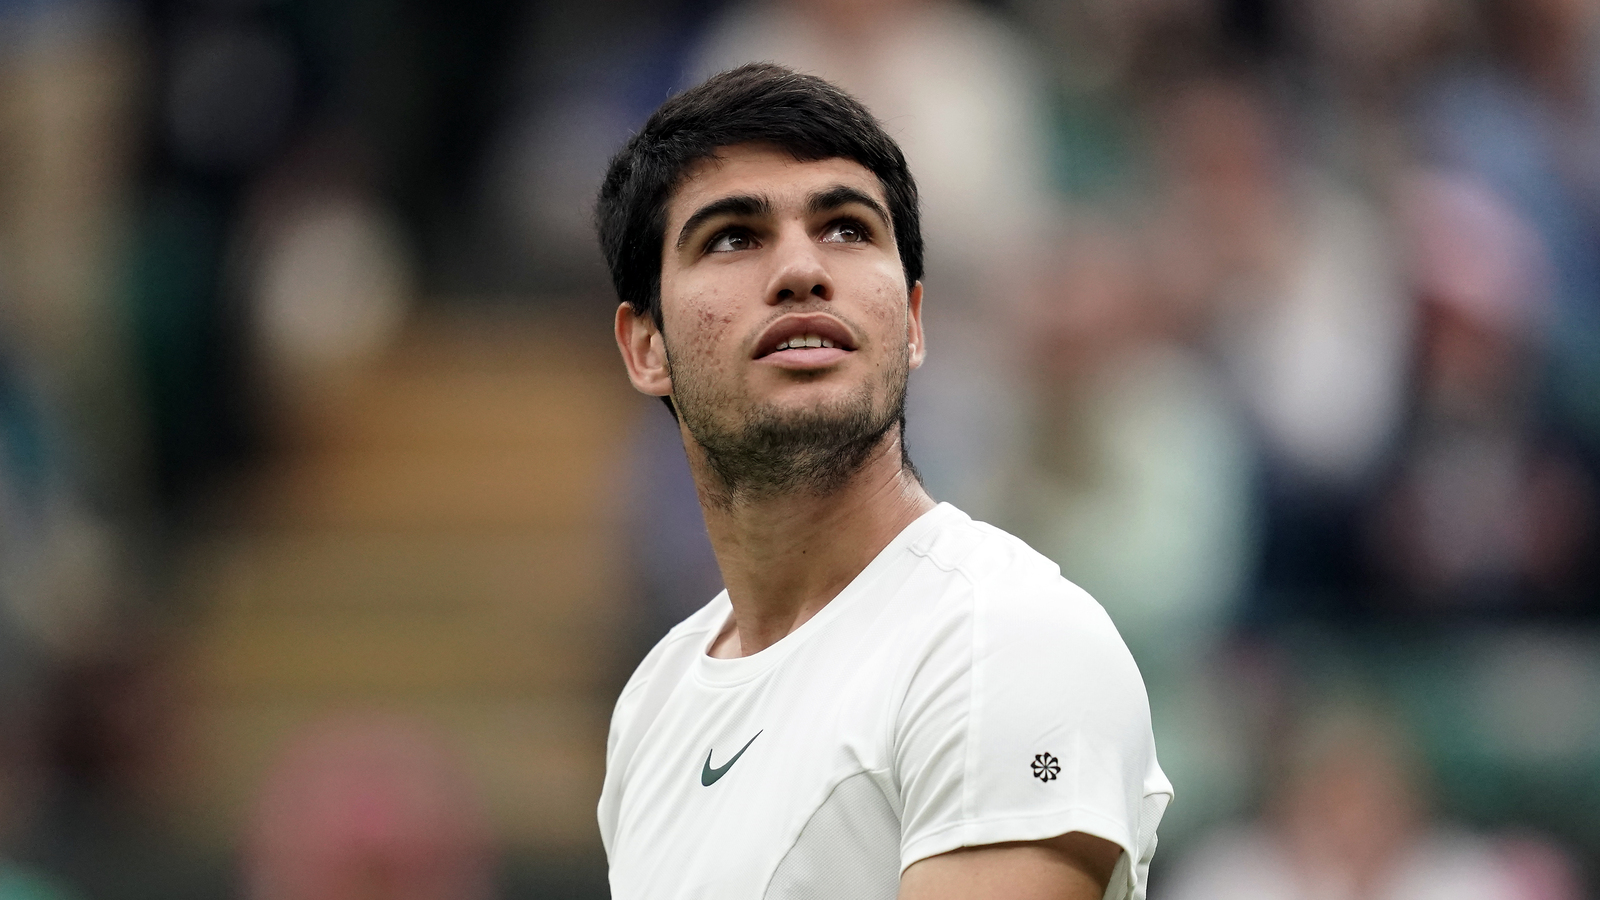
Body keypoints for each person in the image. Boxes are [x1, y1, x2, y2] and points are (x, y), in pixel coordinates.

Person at [595, 63, 1170, 900]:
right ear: (645, 347)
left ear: (911, 321)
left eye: (846, 228)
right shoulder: (654, 701)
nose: (800, 269)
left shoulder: (1001, 640)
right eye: (732, 236)